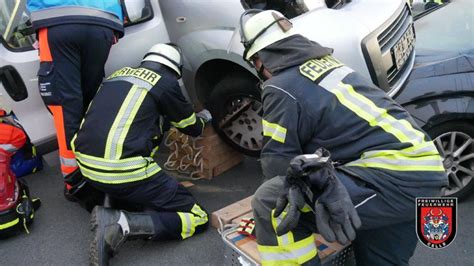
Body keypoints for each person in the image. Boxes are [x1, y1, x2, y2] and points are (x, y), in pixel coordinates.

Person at [239, 10, 448, 265]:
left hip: (390, 175)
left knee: (271, 202)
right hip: (425, 170)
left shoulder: (279, 86)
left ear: (260, 60)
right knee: (380, 257)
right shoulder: (330, 64)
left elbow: (276, 167)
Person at [71, 43, 212, 265]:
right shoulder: (164, 83)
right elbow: (191, 127)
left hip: (86, 166)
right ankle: (122, 224)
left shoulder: (116, 76)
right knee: (199, 217)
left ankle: (115, 205)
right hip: (123, 171)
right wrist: (204, 117)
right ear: (175, 69)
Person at [26, 1, 124, 195]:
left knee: (66, 106)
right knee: (92, 102)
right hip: (103, 21)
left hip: (56, 19)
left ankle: (75, 182)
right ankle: (105, 168)